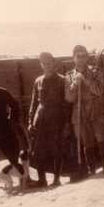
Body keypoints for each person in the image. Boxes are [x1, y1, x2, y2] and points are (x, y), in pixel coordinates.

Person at [65, 45, 104, 177]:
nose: (81, 59)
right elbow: (69, 98)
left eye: (84, 56)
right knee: (86, 141)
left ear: (87, 57)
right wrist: (75, 84)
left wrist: (85, 80)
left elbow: (99, 91)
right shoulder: (69, 76)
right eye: (78, 56)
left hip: (96, 109)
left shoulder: (96, 72)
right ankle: (91, 169)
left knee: (101, 137)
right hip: (80, 111)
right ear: (73, 58)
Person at [28, 52, 71, 187]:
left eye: (49, 62)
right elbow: (34, 103)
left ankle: (56, 179)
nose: (47, 65)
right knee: (39, 150)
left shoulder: (63, 80)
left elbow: (67, 105)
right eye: (44, 63)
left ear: (54, 63)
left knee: (56, 149)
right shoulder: (38, 81)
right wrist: (30, 121)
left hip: (57, 119)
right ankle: (42, 180)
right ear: (41, 65)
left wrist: (67, 123)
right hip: (40, 120)